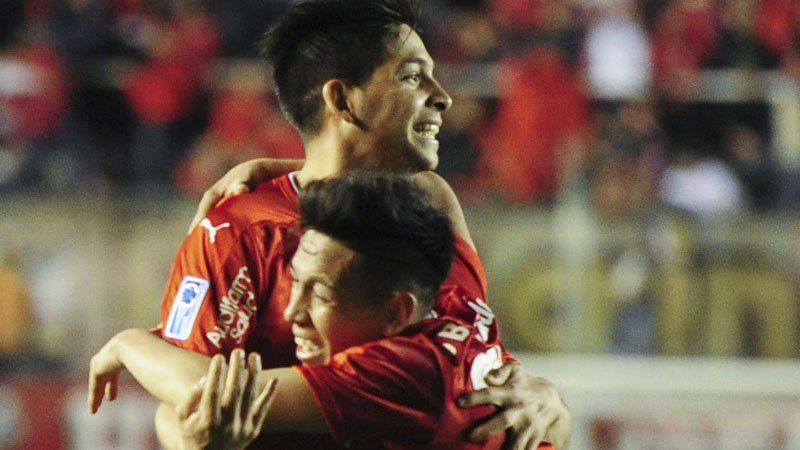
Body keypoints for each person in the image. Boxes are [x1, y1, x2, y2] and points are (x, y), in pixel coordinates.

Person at [90, 0, 569, 447]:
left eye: (316, 292)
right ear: (341, 99)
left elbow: (476, 364)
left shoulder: (430, 201)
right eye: (411, 77)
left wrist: (549, 402)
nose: (442, 97)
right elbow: (183, 411)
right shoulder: (236, 232)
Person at [89, 173, 557, 450]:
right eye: (296, 281)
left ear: (397, 312)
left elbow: (212, 398)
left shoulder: (404, 372)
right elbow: (427, 187)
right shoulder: (455, 295)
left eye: (321, 295)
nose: (292, 311)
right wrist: (279, 169)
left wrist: (127, 343)